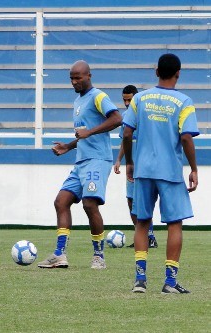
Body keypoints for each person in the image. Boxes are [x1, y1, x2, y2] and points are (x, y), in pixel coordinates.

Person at [123, 53, 198, 294]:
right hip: (170, 171)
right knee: (174, 223)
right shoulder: (184, 102)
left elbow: (126, 133)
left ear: (156, 72)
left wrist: (130, 162)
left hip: (144, 169)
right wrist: (194, 169)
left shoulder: (139, 99)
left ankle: (140, 280)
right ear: (178, 73)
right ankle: (170, 281)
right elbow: (186, 137)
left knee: (142, 222)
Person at [37, 60, 122, 270]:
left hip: (98, 160)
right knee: (61, 201)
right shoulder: (78, 101)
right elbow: (85, 134)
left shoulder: (98, 96)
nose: (74, 82)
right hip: (81, 161)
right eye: (71, 79)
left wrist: (90, 132)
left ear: (89, 76)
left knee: (89, 204)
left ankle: (98, 256)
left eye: (78, 78)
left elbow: (117, 118)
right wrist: (69, 145)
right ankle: (60, 255)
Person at [114, 85, 158, 248]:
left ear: (136, 99)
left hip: (145, 164)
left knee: (144, 201)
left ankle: (150, 236)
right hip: (131, 165)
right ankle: (141, 236)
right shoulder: (126, 116)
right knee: (131, 201)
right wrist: (119, 160)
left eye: (129, 100)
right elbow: (124, 140)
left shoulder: (148, 115)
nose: (126, 103)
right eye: (124, 100)